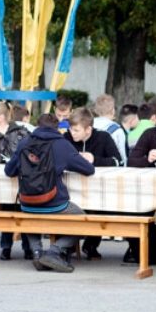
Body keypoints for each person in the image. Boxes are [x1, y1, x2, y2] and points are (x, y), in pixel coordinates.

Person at [4, 113, 96, 272]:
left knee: (29, 217)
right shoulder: (62, 145)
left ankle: (37, 252)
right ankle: (54, 251)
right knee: (84, 221)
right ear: (57, 127)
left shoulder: (24, 143)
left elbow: (9, 171)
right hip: (54, 202)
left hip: (27, 202)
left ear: (37, 125)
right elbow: (88, 169)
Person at [65, 107, 124, 261]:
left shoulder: (103, 137)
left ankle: (91, 245)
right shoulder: (66, 138)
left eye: (76, 130)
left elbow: (118, 161)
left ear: (88, 129)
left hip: (100, 190)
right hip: (72, 190)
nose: (72, 133)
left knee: (100, 208)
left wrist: (94, 159)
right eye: (71, 129)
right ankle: (68, 245)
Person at [0, 101, 32, 261]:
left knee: (24, 211)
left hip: (25, 186)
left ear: (1, 118)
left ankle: (28, 247)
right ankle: (6, 246)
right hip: (3, 186)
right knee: (7, 209)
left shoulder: (21, 134)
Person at [93, 94, 128, 162]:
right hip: (109, 165)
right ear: (112, 110)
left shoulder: (88, 125)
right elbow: (122, 157)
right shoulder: (117, 129)